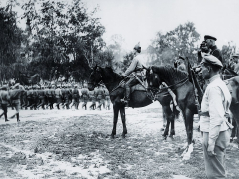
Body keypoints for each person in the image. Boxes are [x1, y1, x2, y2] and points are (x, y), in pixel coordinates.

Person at [200, 54, 232, 179]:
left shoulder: (213, 88)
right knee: (219, 171)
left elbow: (217, 116)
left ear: (208, 68)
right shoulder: (221, 84)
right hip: (221, 131)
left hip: (214, 134)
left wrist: (211, 142)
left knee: (215, 175)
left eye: (202, 67)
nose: (200, 71)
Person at [121, 42, 144, 107]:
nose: (133, 51)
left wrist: (124, 74)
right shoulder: (142, 57)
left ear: (136, 50)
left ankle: (127, 100)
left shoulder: (136, 58)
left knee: (127, 85)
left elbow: (131, 69)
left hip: (138, 76)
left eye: (133, 49)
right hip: (142, 75)